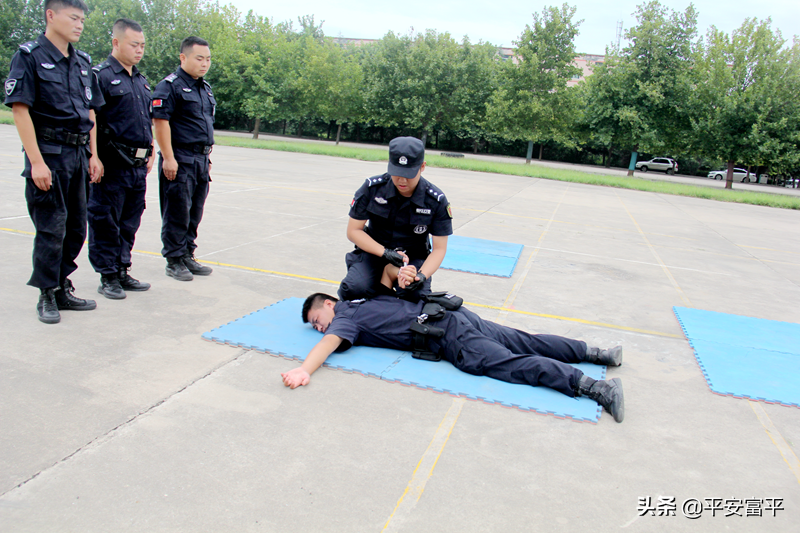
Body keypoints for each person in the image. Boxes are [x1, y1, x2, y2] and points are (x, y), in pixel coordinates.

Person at [282, 292, 625, 423]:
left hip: (449, 335)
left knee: (510, 364)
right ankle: (598, 353)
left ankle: (595, 388)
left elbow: (328, 344)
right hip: (453, 314)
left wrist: (303, 369)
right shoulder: (363, 300)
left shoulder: (345, 316)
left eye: (316, 321)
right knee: (524, 340)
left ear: (328, 303)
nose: (319, 329)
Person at [4, 0, 104, 324]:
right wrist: (36, 162)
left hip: (77, 155)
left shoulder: (83, 63)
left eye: (82, 20)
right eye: (73, 18)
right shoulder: (30, 56)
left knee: (76, 227)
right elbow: (20, 109)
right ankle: (46, 293)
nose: (79, 24)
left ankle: (62, 285)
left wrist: (93, 155)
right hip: (48, 154)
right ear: (51, 15)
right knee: (51, 227)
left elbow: (91, 112)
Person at [338, 136, 452, 302]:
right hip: (375, 252)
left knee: (415, 297)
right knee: (354, 289)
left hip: (412, 259)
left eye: (408, 174)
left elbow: (439, 249)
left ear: (422, 166)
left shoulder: (435, 200)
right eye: (397, 173)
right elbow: (353, 231)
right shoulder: (372, 189)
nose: (402, 180)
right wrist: (385, 253)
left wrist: (421, 275)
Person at [88, 18, 154, 299]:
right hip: (111, 164)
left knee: (130, 221)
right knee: (105, 220)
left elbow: (145, 121)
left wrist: (151, 150)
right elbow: (91, 118)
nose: (139, 50)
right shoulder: (100, 76)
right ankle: (108, 276)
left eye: (142, 45)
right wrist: (93, 156)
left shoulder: (141, 81)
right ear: (116, 43)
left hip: (137, 166)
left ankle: (122, 269)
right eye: (133, 44)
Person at [151, 36, 215, 281]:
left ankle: (187, 253)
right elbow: (160, 122)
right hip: (180, 158)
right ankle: (174, 259)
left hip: (200, 160)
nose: (204, 63)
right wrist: (168, 157)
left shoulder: (204, 88)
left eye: (208, 59)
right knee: (176, 211)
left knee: (194, 211)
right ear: (183, 57)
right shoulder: (170, 86)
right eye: (199, 58)